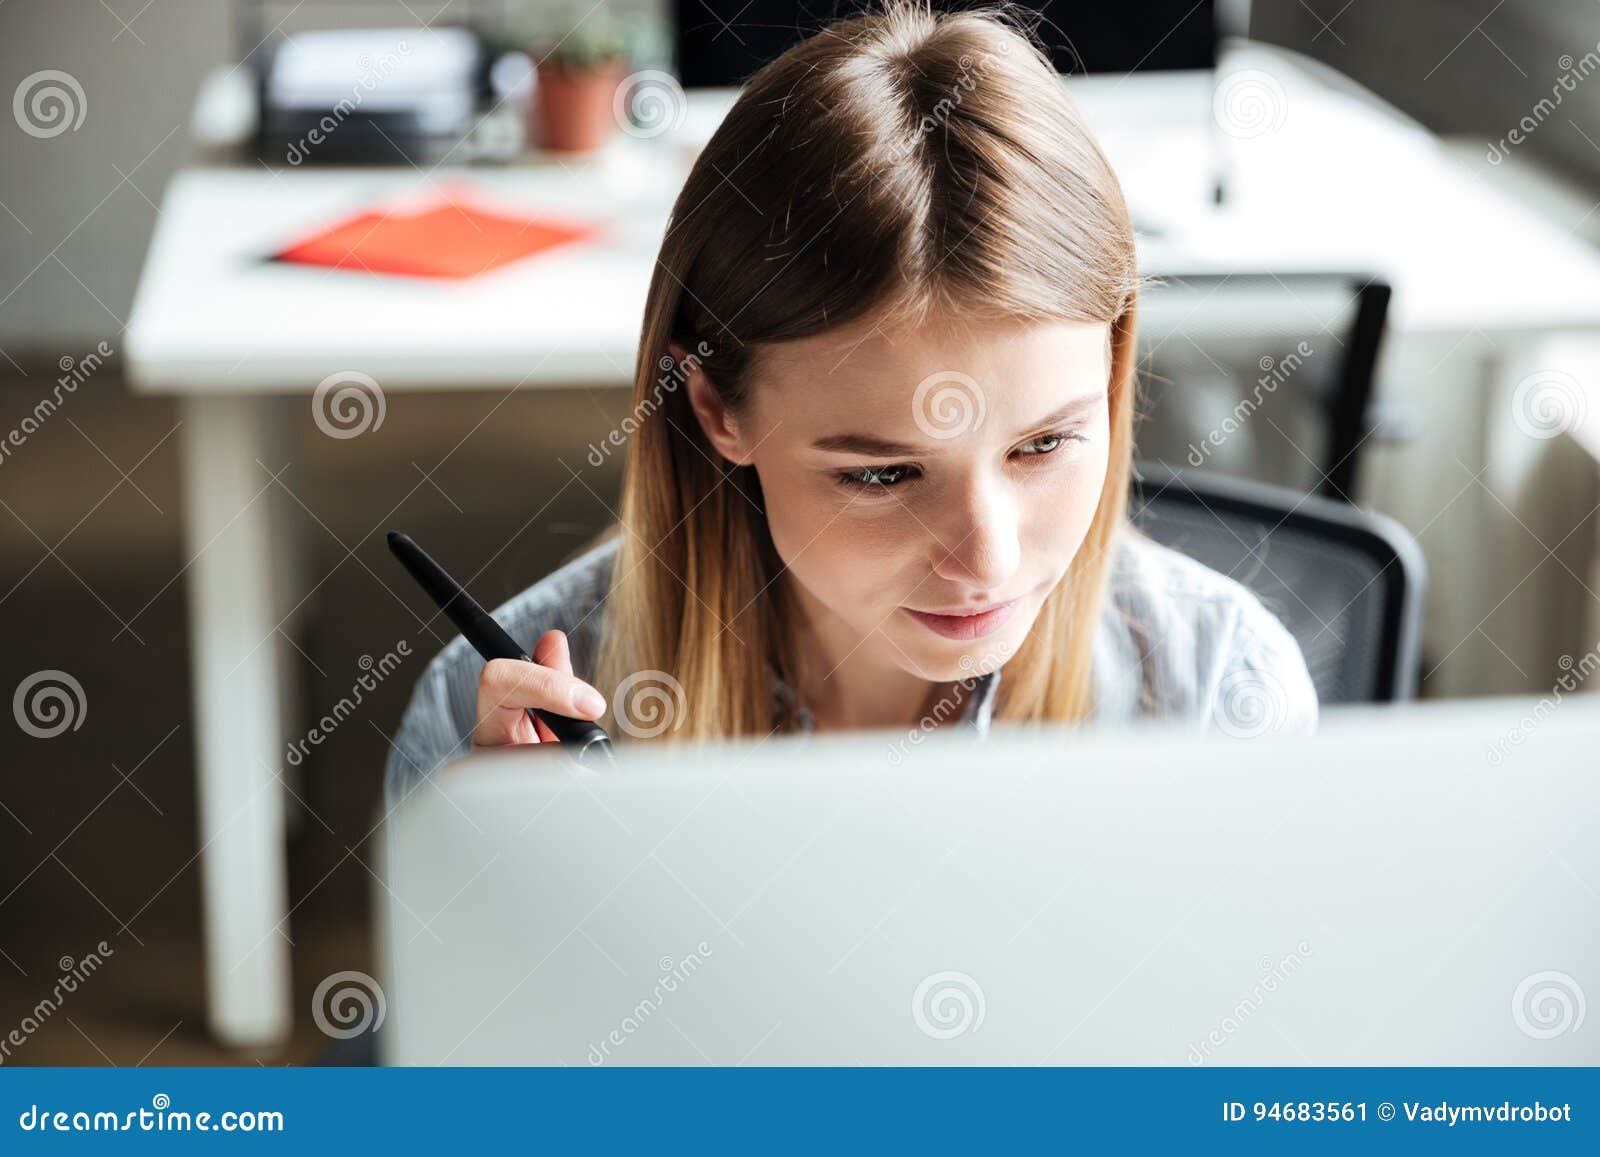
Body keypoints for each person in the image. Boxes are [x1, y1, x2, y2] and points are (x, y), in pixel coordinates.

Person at [384, 1, 1316, 807]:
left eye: (1043, 447)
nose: (987, 558)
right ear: (716, 408)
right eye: (882, 472)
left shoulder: (1222, 692)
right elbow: (434, 1022)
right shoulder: (499, 722)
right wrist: (499, 908)